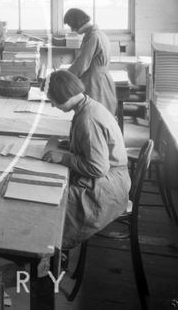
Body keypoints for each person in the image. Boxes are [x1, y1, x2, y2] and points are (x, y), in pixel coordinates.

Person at [42, 70, 130, 249]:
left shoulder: (87, 119)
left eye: (52, 100)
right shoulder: (89, 105)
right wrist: (73, 145)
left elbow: (97, 168)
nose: (52, 106)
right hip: (114, 176)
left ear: (63, 95)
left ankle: (54, 251)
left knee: (53, 202)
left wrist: (63, 158)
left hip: (107, 187)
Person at [63, 8, 117, 115]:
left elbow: (81, 64)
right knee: (101, 114)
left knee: (93, 114)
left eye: (71, 26)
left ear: (77, 23)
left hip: (95, 82)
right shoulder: (98, 33)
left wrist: (62, 78)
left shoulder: (93, 36)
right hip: (102, 79)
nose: (72, 30)